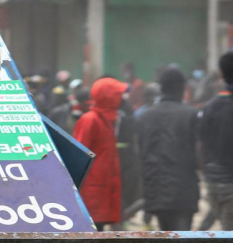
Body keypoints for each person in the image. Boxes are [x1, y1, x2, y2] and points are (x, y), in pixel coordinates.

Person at [138, 68, 199, 231]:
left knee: (166, 234)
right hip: (183, 190)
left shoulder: (145, 116)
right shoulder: (190, 114)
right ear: (181, 88)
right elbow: (198, 154)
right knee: (181, 238)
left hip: (155, 188)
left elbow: (141, 152)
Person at [200, 52, 233, 243]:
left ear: (221, 74)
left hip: (215, 183)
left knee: (225, 239)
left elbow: (202, 146)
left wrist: (208, 176)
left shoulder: (210, 107)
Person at [73, 77, 127, 230]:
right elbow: (78, 156)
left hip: (102, 189)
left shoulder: (107, 121)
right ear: (109, 97)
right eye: (118, 95)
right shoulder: (90, 120)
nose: (122, 99)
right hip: (91, 191)